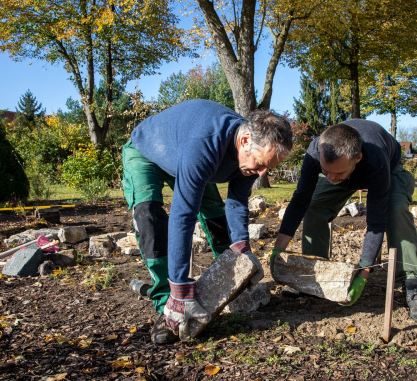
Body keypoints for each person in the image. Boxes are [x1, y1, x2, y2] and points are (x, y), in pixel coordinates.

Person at [122, 99, 293, 344]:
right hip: (147, 150)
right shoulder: (205, 145)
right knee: (149, 216)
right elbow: (183, 216)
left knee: (214, 210)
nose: (262, 173)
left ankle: (228, 284)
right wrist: (181, 288)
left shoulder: (250, 159)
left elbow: (236, 202)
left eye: (268, 167)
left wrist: (242, 252)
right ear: (244, 140)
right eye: (262, 164)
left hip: (188, 154)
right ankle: (169, 304)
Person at [271, 120, 417, 321]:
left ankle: (412, 284)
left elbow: (376, 223)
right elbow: (299, 200)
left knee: (395, 210)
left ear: (357, 158)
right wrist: (278, 249)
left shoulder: (376, 160)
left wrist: (363, 273)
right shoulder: (316, 153)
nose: (329, 178)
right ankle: (312, 278)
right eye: (325, 171)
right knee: (314, 207)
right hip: (343, 167)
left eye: (336, 172)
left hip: (388, 169)